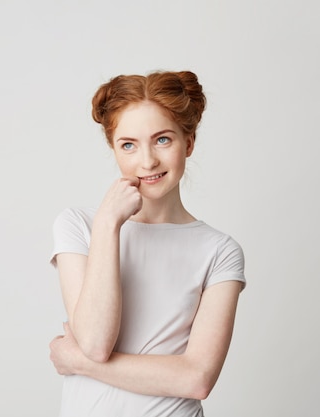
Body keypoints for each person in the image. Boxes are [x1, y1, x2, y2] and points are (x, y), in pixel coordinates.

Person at [48, 70, 246, 417]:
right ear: (114, 149)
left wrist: (79, 362)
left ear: (189, 142)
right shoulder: (79, 226)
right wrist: (109, 224)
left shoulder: (219, 251)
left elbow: (197, 379)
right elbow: (95, 343)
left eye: (163, 140)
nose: (147, 161)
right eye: (128, 145)